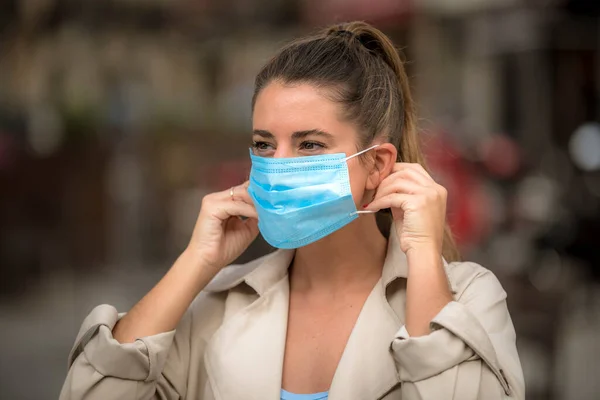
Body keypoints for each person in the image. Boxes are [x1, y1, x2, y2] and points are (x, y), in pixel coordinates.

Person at [60, 21, 525, 400]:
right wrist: (195, 264)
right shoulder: (218, 305)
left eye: (309, 145)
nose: (277, 165)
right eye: (264, 144)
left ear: (377, 164)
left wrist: (423, 253)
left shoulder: (469, 298)